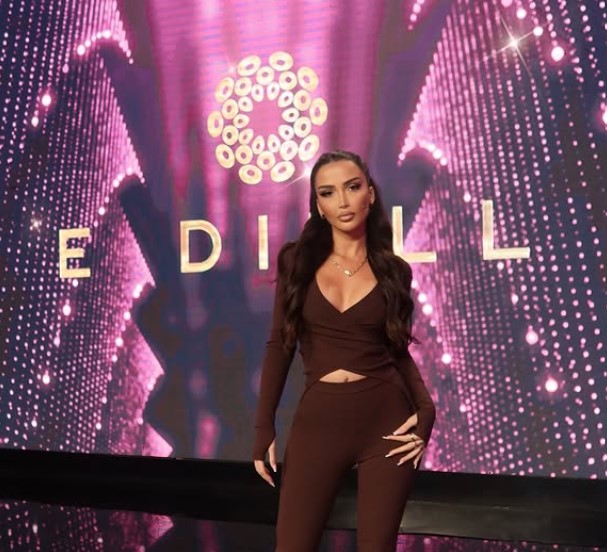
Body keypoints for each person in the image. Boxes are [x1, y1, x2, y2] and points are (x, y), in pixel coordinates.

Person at [252, 150, 436, 552]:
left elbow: (397, 350)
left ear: (370, 193)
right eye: (328, 192)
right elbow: (279, 344)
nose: (343, 201)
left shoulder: (395, 271)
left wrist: (427, 411)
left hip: (386, 422)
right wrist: (263, 426)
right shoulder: (295, 261)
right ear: (318, 205)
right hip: (319, 423)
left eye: (352, 187)